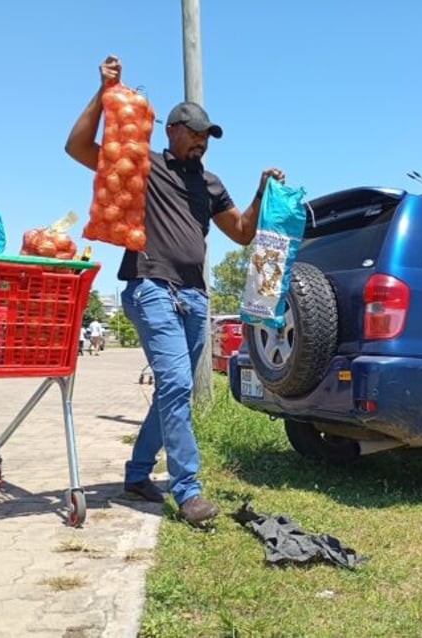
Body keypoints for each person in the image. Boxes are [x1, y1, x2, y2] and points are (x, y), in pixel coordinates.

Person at [65, 54, 284, 527]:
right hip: (151, 287)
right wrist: (104, 94)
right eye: (196, 133)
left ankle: (138, 474)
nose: (202, 141)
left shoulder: (210, 183)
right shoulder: (144, 165)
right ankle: (187, 491)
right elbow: (77, 146)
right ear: (172, 131)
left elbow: (243, 233)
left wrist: (262, 190)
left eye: (208, 136)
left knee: (172, 390)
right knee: (178, 385)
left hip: (194, 297)